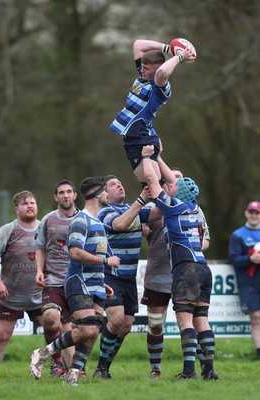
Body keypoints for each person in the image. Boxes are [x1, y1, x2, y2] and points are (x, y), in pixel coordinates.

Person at [30, 176, 120, 386]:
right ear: (98, 194)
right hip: (79, 283)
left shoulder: (97, 221)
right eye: (106, 191)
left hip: (95, 285)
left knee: (92, 333)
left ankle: (71, 377)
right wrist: (107, 260)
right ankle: (43, 353)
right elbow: (75, 253)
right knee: (85, 330)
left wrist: (101, 281)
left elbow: (91, 258)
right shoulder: (82, 220)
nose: (108, 194)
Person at [141, 145, 218, 380]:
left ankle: (189, 371)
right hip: (204, 268)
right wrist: (160, 157)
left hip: (186, 268)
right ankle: (209, 370)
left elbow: (153, 181)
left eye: (173, 184)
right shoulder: (194, 206)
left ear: (177, 191)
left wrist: (147, 158)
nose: (170, 184)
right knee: (201, 319)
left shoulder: (172, 207)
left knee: (185, 321)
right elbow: (170, 182)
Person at [93, 175, 159, 379]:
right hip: (110, 275)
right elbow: (120, 224)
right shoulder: (104, 212)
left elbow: (157, 213)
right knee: (116, 319)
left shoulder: (135, 208)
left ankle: (105, 367)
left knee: (126, 327)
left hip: (129, 277)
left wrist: (160, 189)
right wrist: (141, 200)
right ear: (105, 194)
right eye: (113, 184)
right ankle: (100, 369)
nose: (119, 185)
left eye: (120, 182)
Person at [110, 38, 196, 184]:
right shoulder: (143, 76)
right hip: (133, 139)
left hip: (143, 139)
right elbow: (138, 44)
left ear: (155, 70)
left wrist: (179, 57)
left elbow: (162, 71)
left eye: (146, 68)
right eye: (142, 66)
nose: (141, 70)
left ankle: (181, 204)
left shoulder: (160, 89)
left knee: (155, 187)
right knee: (153, 188)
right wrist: (170, 48)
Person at [34, 179, 83, 377]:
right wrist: (39, 270)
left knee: (76, 328)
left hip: (77, 281)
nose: (65, 195)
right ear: (56, 197)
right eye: (61, 192)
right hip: (53, 281)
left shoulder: (84, 220)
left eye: (69, 191)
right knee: (50, 319)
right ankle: (56, 363)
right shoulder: (48, 220)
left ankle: (76, 368)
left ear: (75, 195)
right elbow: (40, 248)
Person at [0, 191, 42, 379]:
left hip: (39, 294)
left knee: (54, 325)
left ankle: (58, 366)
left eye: (32, 202)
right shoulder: (7, 230)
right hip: (11, 295)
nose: (29, 206)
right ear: (16, 209)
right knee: (3, 335)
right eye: (24, 204)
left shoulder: (44, 228)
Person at [228, 201, 260, 361]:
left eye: (257, 213)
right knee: (256, 317)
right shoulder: (238, 235)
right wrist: (251, 258)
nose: (254, 215)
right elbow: (234, 259)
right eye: (251, 212)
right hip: (248, 283)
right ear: (246, 213)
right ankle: (259, 352)